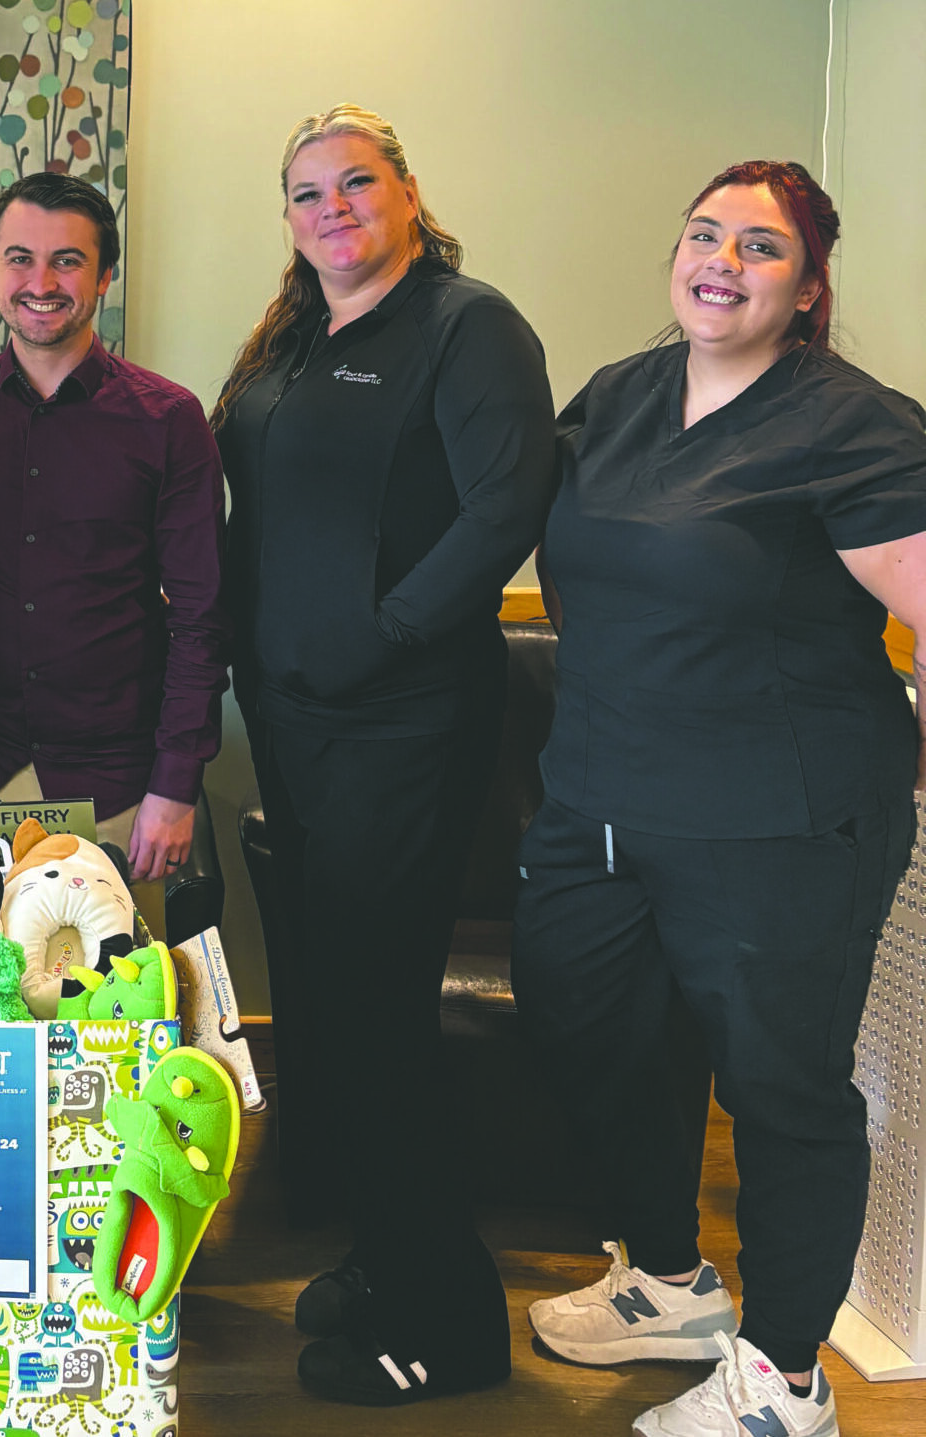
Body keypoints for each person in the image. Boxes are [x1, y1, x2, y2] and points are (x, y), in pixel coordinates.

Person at [515, 160, 926, 1437]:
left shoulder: (856, 425)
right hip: (600, 798)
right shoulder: (621, 394)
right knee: (601, 1034)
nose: (723, 261)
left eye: (762, 247)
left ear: (809, 291)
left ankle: (786, 1377)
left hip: (782, 817)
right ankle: (673, 1281)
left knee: (783, 1088)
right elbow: (575, 567)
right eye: (706, 234)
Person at [211, 103, 556, 1404]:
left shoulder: (469, 329)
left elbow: (504, 510)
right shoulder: (299, 339)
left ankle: (451, 1323)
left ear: (407, 194)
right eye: (307, 194)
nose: (333, 207)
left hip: (400, 720)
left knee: (378, 1021)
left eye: (357, 183)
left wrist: (381, 637)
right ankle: (387, 1254)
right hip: (297, 724)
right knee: (336, 1018)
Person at [0, 172, 226, 882]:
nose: (42, 281)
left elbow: (203, 617)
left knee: (112, 995)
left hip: (119, 789)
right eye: (21, 258)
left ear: (105, 276)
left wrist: (175, 784)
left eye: (68, 260)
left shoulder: (169, 421)